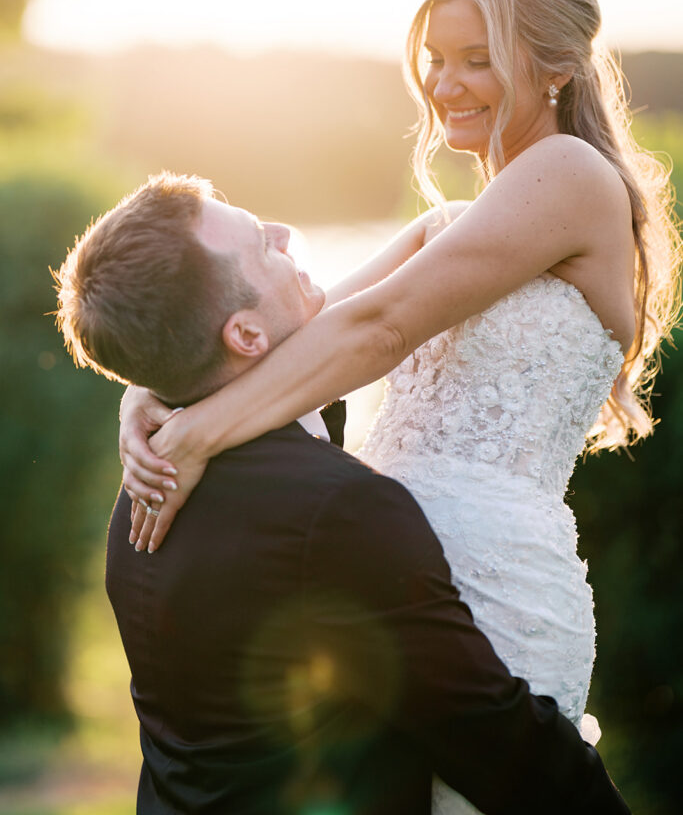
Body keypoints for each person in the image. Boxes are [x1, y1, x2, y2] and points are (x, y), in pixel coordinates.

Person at [119, 0, 680, 810]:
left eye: (476, 60)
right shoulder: (445, 228)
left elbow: (376, 330)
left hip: (493, 584)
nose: (444, 84)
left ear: (558, 68)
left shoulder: (571, 176)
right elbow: (283, 338)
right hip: (377, 584)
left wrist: (196, 434)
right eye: (434, 60)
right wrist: (151, 396)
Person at [54, 172, 629, 815]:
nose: (282, 232)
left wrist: (142, 391)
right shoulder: (340, 513)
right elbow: (494, 737)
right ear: (245, 337)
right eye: (262, 244)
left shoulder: (140, 500)